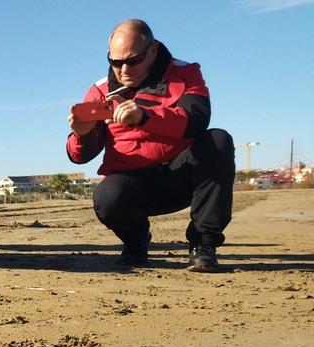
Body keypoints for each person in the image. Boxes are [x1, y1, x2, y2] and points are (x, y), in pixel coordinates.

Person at [67, 19, 233, 273]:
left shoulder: (186, 73)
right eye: (115, 61)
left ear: (153, 50)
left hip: (182, 177)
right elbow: (79, 157)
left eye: (133, 60)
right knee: (107, 196)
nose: (124, 69)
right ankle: (136, 241)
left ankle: (203, 244)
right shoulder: (99, 90)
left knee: (218, 140)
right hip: (134, 184)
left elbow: (196, 120)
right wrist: (82, 135)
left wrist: (144, 117)